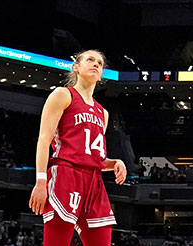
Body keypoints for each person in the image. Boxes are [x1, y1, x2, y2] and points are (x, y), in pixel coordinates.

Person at [29, 50, 127, 246]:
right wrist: (41, 181)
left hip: (94, 181)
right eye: (90, 60)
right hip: (66, 174)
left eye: (100, 63)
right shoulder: (63, 94)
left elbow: (93, 158)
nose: (96, 64)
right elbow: (43, 139)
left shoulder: (103, 113)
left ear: (101, 75)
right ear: (76, 67)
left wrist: (115, 163)